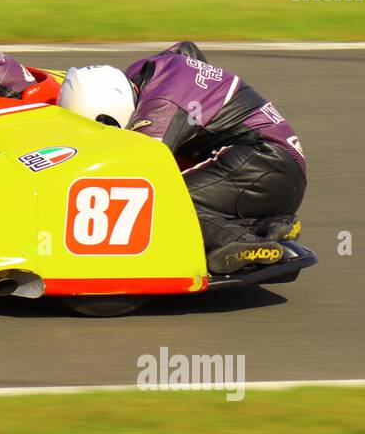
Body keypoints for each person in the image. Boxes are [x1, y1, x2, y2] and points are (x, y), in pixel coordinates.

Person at [58, 42, 306, 276]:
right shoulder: (142, 74)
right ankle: (271, 225)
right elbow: (187, 49)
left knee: (153, 203)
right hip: (270, 167)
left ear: (110, 115)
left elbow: (139, 171)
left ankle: (242, 241)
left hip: (264, 163)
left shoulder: (161, 105)